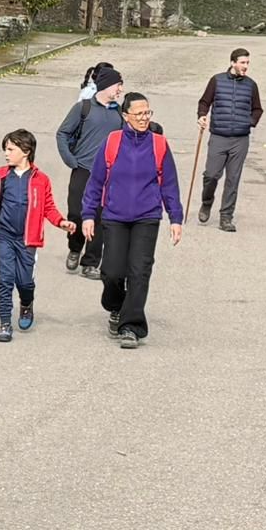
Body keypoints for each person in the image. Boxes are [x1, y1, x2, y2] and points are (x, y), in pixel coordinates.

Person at [82, 92, 184, 349]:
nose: (143, 118)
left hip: (147, 217)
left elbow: (170, 184)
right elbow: (95, 181)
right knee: (113, 272)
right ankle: (115, 306)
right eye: (138, 114)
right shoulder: (112, 142)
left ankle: (132, 326)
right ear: (125, 116)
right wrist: (87, 215)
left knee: (140, 271)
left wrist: (175, 218)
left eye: (147, 113)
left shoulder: (159, 144)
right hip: (115, 216)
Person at [0, 130, 77, 343]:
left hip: (28, 239)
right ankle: (5, 322)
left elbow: (48, 207)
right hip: (4, 236)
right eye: (5, 149)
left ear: (26, 151)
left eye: (10, 149)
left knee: (24, 281)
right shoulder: (1, 176)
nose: (6, 153)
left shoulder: (41, 179)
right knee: (5, 279)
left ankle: (26, 304)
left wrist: (61, 222)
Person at [56, 66, 126, 279]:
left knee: (100, 218)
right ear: (106, 85)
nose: (120, 89)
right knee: (76, 213)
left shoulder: (119, 113)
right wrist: (71, 160)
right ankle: (75, 247)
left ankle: (90, 263)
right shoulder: (83, 107)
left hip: (107, 175)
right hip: (83, 170)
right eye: (118, 85)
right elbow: (62, 133)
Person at [195, 47, 264, 232]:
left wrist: (249, 122)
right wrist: (202, 115)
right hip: (218, 135)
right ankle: (207, 202)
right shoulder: (217, 80)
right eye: (243, 62)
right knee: (211, 175)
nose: (246, 66)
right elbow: (204, 102)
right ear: (233, 62)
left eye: (248, 63)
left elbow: (258, 109)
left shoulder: (251, 85)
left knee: (233, 179)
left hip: (240, 139)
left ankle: (226, 217)